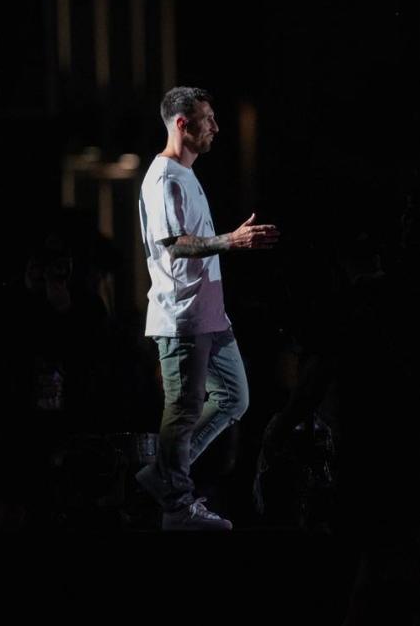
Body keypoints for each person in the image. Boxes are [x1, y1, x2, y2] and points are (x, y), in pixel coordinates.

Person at [136, 86, 279, 530]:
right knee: (182, 409)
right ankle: (177, 506)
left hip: (209, 314)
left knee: (236, 396)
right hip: (182, 317)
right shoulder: (163, 179)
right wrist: (231, 240)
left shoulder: (185, 174)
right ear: (183, 124)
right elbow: (176, 246)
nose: (215, 126)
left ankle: (164, 474)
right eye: (208, 118)